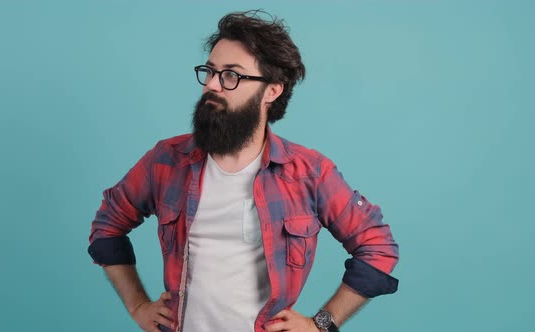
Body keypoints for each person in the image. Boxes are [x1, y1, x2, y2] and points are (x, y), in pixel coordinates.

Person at [88, 10, 399, 332]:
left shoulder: (310, 173)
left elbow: (378, 247)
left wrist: (321, 324)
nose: (212, 85)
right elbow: (107, 226)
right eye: (210, 71)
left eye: (231, 75)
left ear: (272, 91)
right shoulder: (166, 161)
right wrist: (138, 306)